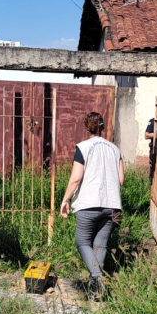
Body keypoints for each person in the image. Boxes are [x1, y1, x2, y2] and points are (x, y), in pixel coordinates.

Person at [60, 112, 125, 297]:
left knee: (82, 242)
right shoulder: (115, 149)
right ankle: (96, 290)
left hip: (89, 203)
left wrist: (65, 200)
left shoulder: (83, 147)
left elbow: (76, 178)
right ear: (103, 127)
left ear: (86, 127)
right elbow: (121, 180)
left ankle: (96, 277)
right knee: (100, 245)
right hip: (112, 205)